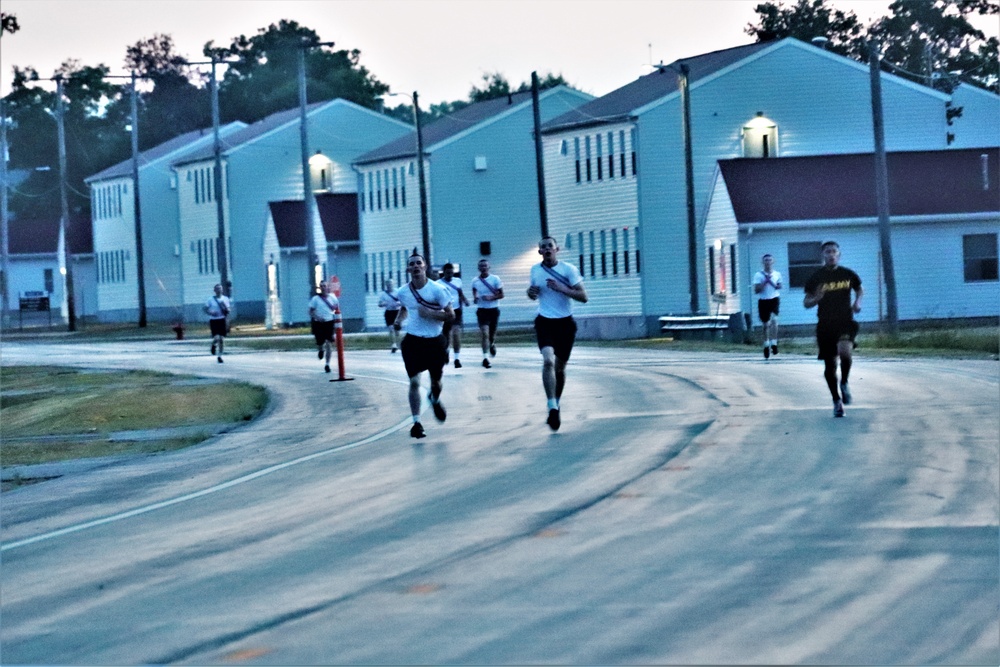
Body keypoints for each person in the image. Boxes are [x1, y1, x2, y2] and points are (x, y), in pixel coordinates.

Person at [527, 236, 588, 431]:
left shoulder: (568, 270)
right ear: (539, 252)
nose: (546, 250)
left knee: (560, 369)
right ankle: (552, 406)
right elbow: (533, 293)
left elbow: (583, 297)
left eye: (549, 246)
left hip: (565, 324)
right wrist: (531, 293)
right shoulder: (535, 270)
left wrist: (562, 288)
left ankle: (556, 402)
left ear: (557, 249)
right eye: (543, 247)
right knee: (548, 362)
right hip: (545, 321)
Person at [393, 254, 454, 439]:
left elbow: (450, 315)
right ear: (408, 270)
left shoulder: (438, 290)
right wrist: (398, 320)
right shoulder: (403, 292)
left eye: (419, 263)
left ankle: (434, 399)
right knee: (414, 382)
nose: (416, 266)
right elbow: (405, 308)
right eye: (412, 264)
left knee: (436, 382)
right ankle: (416, 423)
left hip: (435, 341)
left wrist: (430, 314)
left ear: (425, 266)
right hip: (413, 341)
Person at [804, 241, 864, 418]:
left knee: (845, 352)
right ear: (823, 255)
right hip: (825, 325)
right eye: (827, 252)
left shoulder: (848, 274)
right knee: (830, 365)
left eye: (834, 252)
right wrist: (816, 298)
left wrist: (857, 303)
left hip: (845, 321)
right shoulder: (816, 277)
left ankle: (844, 382)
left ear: (839, 254)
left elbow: (860, 290)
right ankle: (836, 401)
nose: (831, 255)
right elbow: (806, 303)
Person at [471, 258, 504, 368]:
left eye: (485, 266)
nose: (483, 268)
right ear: (478, 268)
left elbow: (501, 295)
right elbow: (474, 292)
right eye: (481, 266)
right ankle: (485, 358)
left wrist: (491, 297)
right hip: (482, 310)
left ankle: (492, 344)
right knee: (485, 333)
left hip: (493, 309)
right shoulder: (475, 281)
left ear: (489, 267)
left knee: (491, 334)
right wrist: (475, 298)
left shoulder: (495, 279)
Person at [437, 262, 470, 368]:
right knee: (447, 336)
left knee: (456, 333)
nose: (450, 275)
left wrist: (465, 300)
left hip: (456, 311)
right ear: (444, 272)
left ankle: (457, 359)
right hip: (445, 312)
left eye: (452, 273)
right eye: (447, 273)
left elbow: (460, 293)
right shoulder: (438, 283)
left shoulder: (458, 281)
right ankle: (446, 351)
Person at [753, 253, 783, 359]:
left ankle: (774, 344)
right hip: (763, 300)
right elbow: (756, 290)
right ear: (763, 262)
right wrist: (765, 281)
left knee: (774, 321)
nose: (768, 262)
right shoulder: (758, 275)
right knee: (766, 325)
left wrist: (776, 285)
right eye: (766, 260)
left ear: (773, 262)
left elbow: (780, 285)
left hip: (774, 299)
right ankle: (766, 345)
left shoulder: (777, 274)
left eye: (770, 260)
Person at [309, 281, 339, 373]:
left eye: (324, 286)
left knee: (328, 342)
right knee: (320, 342)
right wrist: (318, 317)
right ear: (320, 288)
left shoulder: (332, 297)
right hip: (318, 323)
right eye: (321, 286)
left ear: (327, 287)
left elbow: (336, 308)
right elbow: (311, 311)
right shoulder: (315, 299)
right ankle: (320, 350)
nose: (323, 288)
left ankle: (327, 364)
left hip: (329, 322)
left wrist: (335, 317)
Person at [203, 283, 231, 364]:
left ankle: (220, 356)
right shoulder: (210, 299)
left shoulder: (225, 299)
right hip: (214, 321)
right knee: (217, 338)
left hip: (222, 320)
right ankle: (213, 345)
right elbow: (205, 309)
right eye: (217, 289)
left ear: (222, 290)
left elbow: (228, 309)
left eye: (220, 288)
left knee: (221, 339)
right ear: (214, 291)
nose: (219, 290)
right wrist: (210, 312)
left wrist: (228, 310)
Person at [377, 278, 402, 353]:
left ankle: (398, 343)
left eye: (391, 284)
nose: (389, 286)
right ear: (386, 285)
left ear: (393, 284)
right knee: (391, 328)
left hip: (397, 311)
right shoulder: (383, 294)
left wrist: (399, 303)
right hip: (389, 312)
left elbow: (403, 301)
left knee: (397, 330)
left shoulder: (398, 292)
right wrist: (383, 304)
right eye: (388, 284)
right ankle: (394, 345)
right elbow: (379, 304)